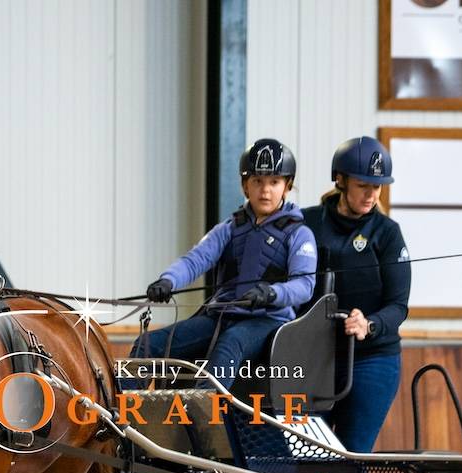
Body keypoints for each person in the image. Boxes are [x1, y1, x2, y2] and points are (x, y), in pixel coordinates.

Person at [133, 138, 316, 390]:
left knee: (230, 343)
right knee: (147, 344)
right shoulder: (229, 228)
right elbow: (196, 260)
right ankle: (121, 409)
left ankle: (203, 409)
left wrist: (272, 293)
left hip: (268, 322)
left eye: (274, 182)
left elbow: (305, 285)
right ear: (245, 185)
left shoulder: (299, 234)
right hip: (220, 316)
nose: (265, 191)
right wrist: (168, 281)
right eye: (257, 181)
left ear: (287, 186)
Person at [302, 135, 410, 453]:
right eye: (363, 185)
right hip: (312, 357)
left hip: (371, 358)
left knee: (351, 457)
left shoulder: (388, 233)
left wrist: (369, 324)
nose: (371, 194)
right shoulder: (307, 223)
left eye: (377, 187)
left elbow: (398, 306)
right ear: (341, 180)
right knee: (302, 454)